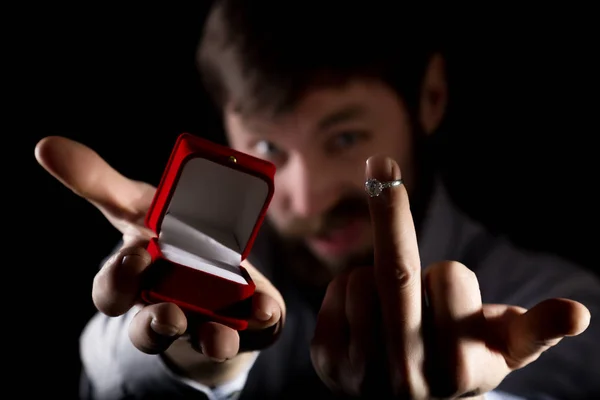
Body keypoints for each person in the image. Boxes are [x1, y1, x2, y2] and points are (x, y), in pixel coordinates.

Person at [35, 1, 599, 399]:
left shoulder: (562, 306)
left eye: (346, 138)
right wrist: (190, 357)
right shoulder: (205, 268)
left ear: (430, 98)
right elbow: (106, 372)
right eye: (266, 145)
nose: (306, 200)